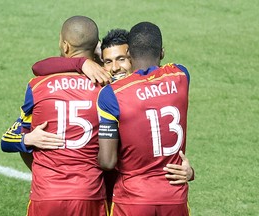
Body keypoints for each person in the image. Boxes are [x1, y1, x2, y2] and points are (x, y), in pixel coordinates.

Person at [30, 28, 194, 185]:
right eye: (108, 61)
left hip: (126, 191)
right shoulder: (103, 88)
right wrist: (82, 63)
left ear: (132, 56)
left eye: (121, 59)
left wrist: (189, 172)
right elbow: (39, 67)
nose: (115, 68)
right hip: (102, 188)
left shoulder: (126, 94)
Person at [2, 16, 109, 216]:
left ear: (65, 46)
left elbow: (11, 139)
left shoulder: (38, 86)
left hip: (47, 194)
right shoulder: (106, 87)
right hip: (90, 193)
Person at [97, 22, 191, 216]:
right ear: (162, 52)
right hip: (174, 195)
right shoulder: (181, 76)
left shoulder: (112, 94)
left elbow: (107, 162)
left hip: (133, 198)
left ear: (129, 53)